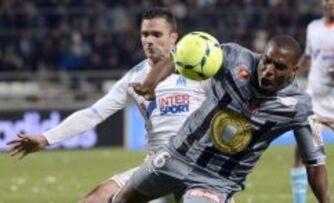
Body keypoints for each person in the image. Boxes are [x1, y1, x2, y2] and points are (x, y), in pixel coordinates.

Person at [6, 7, 210, 203]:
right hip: (155, 168)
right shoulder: (133, 79)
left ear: (173, 38)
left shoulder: (199, 69)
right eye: (145, 34)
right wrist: (46, 138)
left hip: (197, 166)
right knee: (92, 200)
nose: (149, 40)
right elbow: (93, 114)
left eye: (157, 34)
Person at [109, 35, 331, 203]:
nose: (268, 71)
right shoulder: (234, 58)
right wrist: (151, 83)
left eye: (279, 67)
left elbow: (315, 164)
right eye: (267, 61)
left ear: (294, 70)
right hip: (175, 155)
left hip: (215, 180)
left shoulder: (300, 107)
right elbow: (180, 55)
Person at [291, 0, 334, 202]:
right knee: (304, 153)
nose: (330, 3)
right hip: (314, 100)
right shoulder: (313, 27)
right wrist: (292, 74)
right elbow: (309, 56)